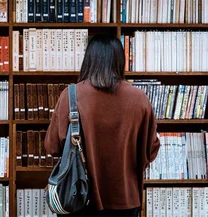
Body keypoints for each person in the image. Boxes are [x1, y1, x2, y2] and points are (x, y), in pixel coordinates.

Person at [44, 34, 160, 217]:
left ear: (88, 59)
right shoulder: (140, 99)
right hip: (126, 199)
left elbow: (52, 146)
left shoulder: (71, 95)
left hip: (78, 197)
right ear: (120, 60)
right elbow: (151, 150)